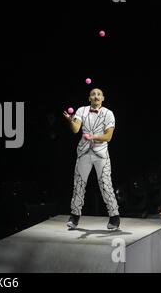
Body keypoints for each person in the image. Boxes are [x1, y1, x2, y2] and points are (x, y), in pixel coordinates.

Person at [63, 88, 120, 230]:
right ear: (89, 98)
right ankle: (74, 216)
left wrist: (93, 137)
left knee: (105, 184)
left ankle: (114, 217)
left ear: (103, 98)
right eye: (93, 94)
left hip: (101, 153)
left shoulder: (108, 113)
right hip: (84, 152)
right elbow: (76, 129)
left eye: (99, 94)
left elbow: (108, 137)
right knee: (79, 184)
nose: (96, 96)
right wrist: (71, 121)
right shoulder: (81, 110)